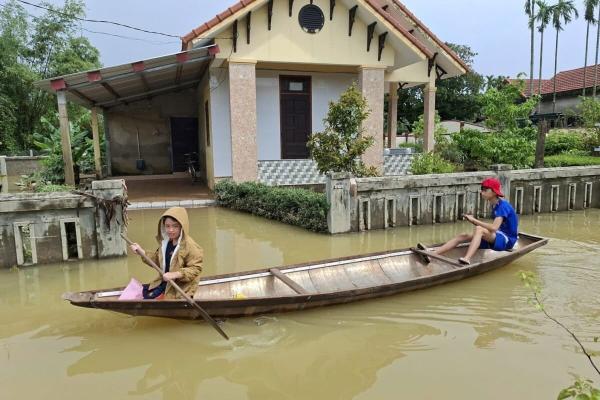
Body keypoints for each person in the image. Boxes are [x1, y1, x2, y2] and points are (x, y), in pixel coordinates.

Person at [419, 178, 518, 265]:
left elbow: (494, 228)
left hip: (507, 240)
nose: (482, 192)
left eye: (485, 190)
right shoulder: (495, 204)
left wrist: (474, 220)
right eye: (481, 190)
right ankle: (433, 254)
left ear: (494, 192)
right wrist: (472, 220)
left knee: (479, 230)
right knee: (463, 235)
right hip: (498, 235)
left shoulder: (503, 206)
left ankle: (467, 258)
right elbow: (494, 229)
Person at [128, 207, 203, 299]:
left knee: (147, 299)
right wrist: (142, 252)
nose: (170, 230)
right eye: (167, 226)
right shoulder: (166, 243)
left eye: (175, 226)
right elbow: (158, 261)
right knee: (140, 292)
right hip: (164, 283)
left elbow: (195, 269)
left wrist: (175, 274)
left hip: (180, 289)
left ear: (182, 227)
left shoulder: (191, 246)